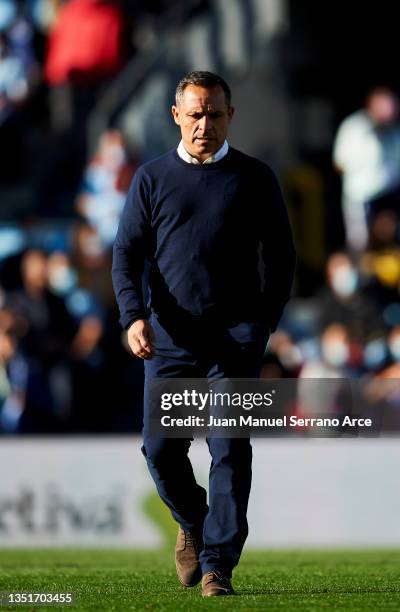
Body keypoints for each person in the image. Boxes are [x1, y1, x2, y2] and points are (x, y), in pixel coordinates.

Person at [112, 71, 296, 597]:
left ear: (230, 116)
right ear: (176, 116)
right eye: (195, 114)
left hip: (234, 341)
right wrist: (133, 317)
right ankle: (193, 523)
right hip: (169, 340)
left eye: (214, 114)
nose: (204, 125)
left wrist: (265, 322)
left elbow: (280, 255)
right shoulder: (150, 179)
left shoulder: (255, 178)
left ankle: (218, 565)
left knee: (229, 448)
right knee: (160, 452)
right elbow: (126, 255)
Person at [333, 87, 400, 252]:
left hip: (389, 195)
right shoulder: (353, 128)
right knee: (361, 243)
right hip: (361, 197)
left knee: (390, 240)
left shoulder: (393, 131)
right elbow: (340, 164)